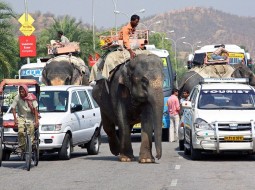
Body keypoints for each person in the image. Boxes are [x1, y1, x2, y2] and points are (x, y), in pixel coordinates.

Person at [11, 85, 39, 153]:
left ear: (26, 91)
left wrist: (36, 120)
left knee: (31, 128)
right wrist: (15, 118)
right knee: (20, 130)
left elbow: (35, 109)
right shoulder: (17, 98)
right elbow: (13, 108)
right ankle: (21, 146)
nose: (21, 93)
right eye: (20, 91)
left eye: (22, 91)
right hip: (21, 118)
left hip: (30, 117)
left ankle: (31, 143)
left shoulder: (32, 97)